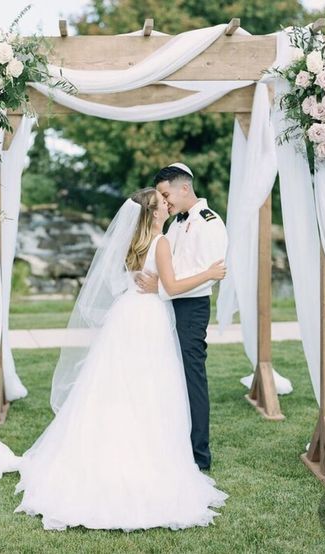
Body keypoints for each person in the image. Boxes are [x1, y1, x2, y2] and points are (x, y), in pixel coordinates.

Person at [14, 187, 228, 531]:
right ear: (154, 214)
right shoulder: (159, 242)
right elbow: (171, 287)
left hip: (125, 315)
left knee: (115, 386)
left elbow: (142, 279)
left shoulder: (134, 242)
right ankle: (144, 458)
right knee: (148, 388)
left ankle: (105, 452)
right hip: (148, 320)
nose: (167, 204)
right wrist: (210, 274)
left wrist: (154, 281)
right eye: (162, 203)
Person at [135, 163, 228, 471]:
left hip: (190, 309)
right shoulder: (175, 223)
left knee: (192, 379)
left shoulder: (209, 223)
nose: (165, 201)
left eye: (166, 194)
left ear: (184, 188)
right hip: (166, 305)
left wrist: (161, 286)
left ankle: (199, 455)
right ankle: (171, 441)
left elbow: (209, 275)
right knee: (167, 377)